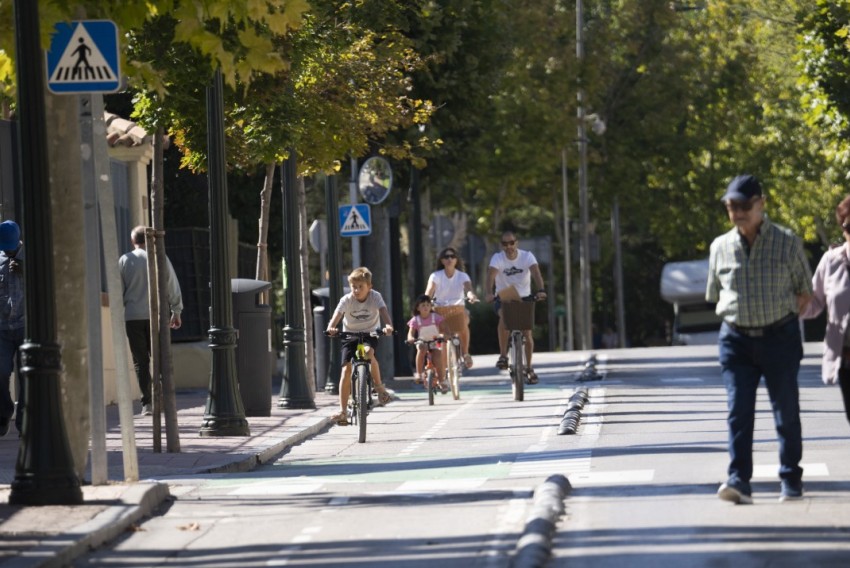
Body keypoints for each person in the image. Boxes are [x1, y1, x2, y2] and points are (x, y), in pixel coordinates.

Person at [706, 174, 812, 505]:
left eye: (744, 206)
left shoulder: (787, 241)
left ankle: (790, 479)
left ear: (761, 204)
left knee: (786, 411)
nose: (737, 212)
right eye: (731, 206)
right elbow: (715, 294)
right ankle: (739, 481)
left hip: (779, 337)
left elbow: (804, 293)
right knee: (738, 412)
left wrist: (777, 321)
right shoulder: (720, 247)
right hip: (735, 340)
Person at [119, 226, 183, 416]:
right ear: (150, 241)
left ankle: (147, 403)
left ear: (133, 241)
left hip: (133, 317)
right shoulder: (160, 257)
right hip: (158, 317)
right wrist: (176, 310)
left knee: (141, 361)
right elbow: (172, 284)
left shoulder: (124, 260)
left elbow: (118, 292)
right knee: (161, 357)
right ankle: (164, 399)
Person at [800, 194, 850, 426]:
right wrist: (788, 305)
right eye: (848, 225)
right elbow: (814, 302)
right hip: (847, 357)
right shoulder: (831, 261)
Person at [326, 267, 394, 425]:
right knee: (346, 369)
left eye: (360, 287)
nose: (356, 290)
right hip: (350, 335)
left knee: (369, 352)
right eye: (353, 287)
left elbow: (383, 312)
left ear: (369, 286)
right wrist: (331, 327)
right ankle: (343, 411)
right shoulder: (346, 300)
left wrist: (389, 326)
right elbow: (337, 315)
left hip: (370, 334)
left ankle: (379, 388)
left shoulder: (375, 297)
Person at [485, 230, 547, 384]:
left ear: (516, 243)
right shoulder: (497, 258)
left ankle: (529, 367)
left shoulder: (527, 256)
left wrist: (541, 290)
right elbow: (491, 276)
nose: (509, 246)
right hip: (504, 296)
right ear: (502, 245)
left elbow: (536, 273)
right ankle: (503, 356)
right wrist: (488, 293)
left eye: (511, 243)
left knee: (527, 332)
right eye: (505, 244)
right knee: (504, 317)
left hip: (525, 297)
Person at [424, 246, 478, 369]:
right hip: (440, 311)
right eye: (446, 257)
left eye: (452, 256)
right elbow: (429, 291)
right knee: (441, 339)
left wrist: (471, 296)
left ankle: (465, 353)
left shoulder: (462, 276)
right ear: (442, 261)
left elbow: (468, 289)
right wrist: (426, 301)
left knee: (464, 321)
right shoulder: (435, 276)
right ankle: (442, 369)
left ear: (456, 260)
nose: (449, 259)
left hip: (457, 310)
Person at [0, 221, 24, 437]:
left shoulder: (30, 257)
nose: (7, 250)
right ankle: (3, 413)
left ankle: (24, 422)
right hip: (2, 329)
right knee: (1, 372)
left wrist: (26, 270)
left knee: (26, 376)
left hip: (25, 326)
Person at [406, 294, 447, 393]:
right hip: (422, 341)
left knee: (437, 356)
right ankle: (419, 373)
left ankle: (442, 381)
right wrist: (411, 338)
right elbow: (410, 333)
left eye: (428, 305)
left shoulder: (435, 317)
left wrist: (444, 335)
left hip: (435, 341)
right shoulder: (416, 319)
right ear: (418, 308)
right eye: (423, 305)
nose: (426, 307)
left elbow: (443, 329)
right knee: (422, 349)